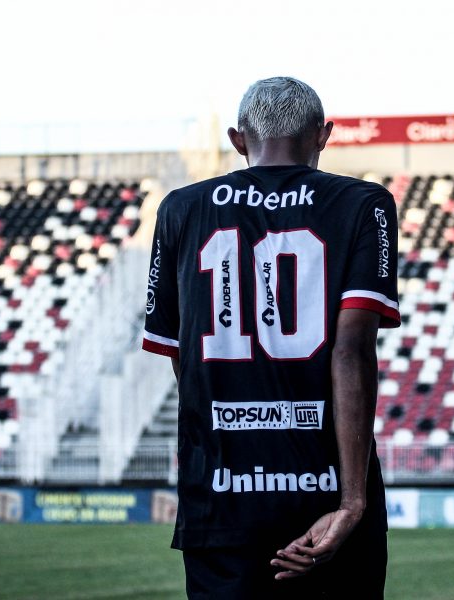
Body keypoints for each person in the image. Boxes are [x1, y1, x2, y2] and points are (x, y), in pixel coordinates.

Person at [142, 76, 399, 599]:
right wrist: (352, 501)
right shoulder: (364, 202)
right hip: (325, 487)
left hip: (221, 491)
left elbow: (183, 359)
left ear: (238, 140)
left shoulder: (180, 209)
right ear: (323, 135)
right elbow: (350, 351)